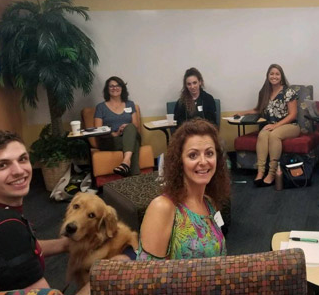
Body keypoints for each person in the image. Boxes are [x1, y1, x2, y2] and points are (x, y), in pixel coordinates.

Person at [0, 130, 84, 293]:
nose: (19, 171)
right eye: (2, 165)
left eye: (22, 159)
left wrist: (66, 244)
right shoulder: (5, 228)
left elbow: (23, 248)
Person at [136, 119, 230, 260]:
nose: (203, 161)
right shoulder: (163, 207)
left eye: (209, 153)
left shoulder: (209, 203)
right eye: (193, 155)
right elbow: (146, 276)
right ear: (179, 162)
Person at [238, 64, 300, 187]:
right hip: (272, 125)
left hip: (291, 126)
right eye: (271, 74)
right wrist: (242, 113)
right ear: (267, 76)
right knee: (262, 134)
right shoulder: (264, 92)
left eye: (277, 74)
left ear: (281, 76)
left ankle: (272, 173)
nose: (274, 76)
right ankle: (260, 171)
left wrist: (276, 125)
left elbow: (293, 115)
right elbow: (258, 109)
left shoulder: (289, 91)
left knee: (274, 135)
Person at [94, 76, 141, 177]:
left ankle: (125, 162)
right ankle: (133, 174)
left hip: (129, 136)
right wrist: (115, 133)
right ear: (107, 89)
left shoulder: (130, 104)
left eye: (117, 85)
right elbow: (98, 130)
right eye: (111, 86)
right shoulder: (100, 107)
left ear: (122, 88)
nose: (114, 88)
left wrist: (126, 127)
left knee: (131, 127)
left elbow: (136, 125)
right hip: (110, 140)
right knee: (135, 143)